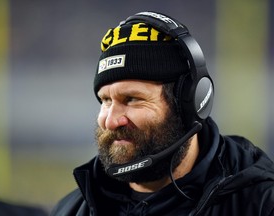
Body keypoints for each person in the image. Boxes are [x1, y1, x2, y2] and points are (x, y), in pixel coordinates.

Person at [50, 11, 274, 216]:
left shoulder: (261, 204)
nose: (111, 120)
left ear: (189, 104)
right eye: (106, 100)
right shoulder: (70, 210)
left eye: (132, 99)